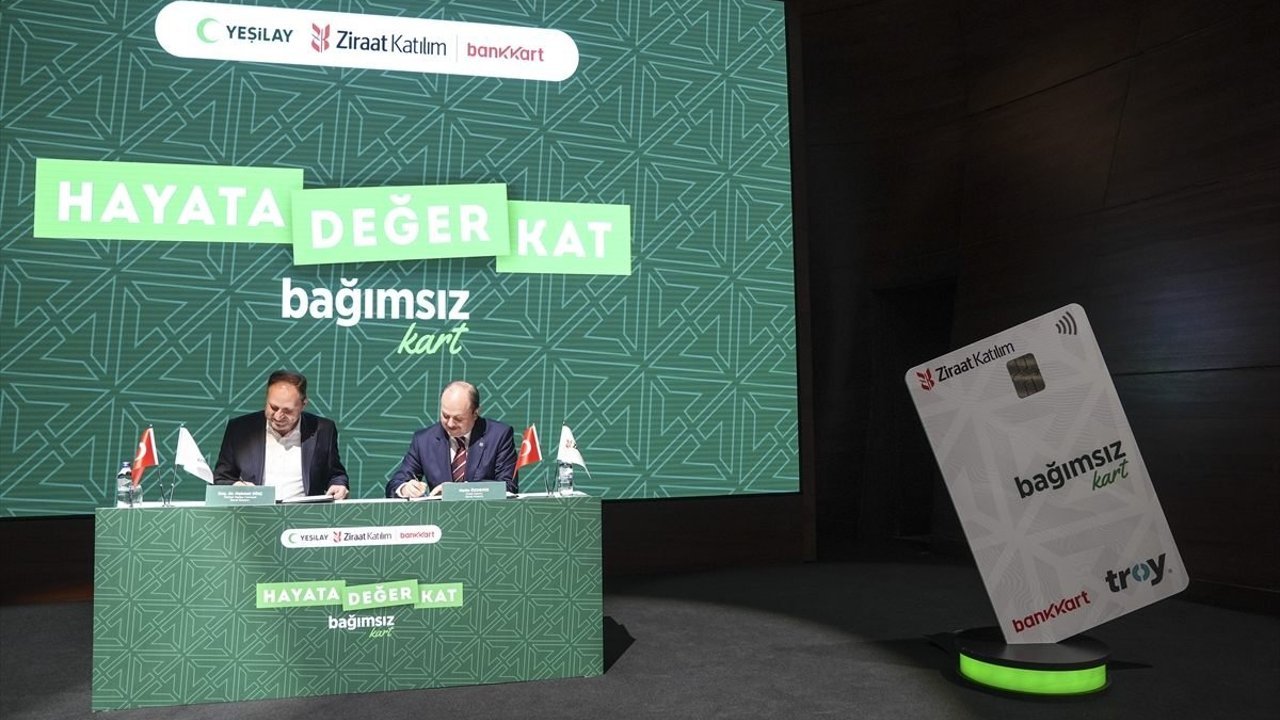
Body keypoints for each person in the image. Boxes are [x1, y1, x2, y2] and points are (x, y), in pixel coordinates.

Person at [213, 370, 350, 500]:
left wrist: (339, 485)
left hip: (304, 512)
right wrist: (238, 487)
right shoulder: (240, 429)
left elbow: (335, 474)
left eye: (287, 411)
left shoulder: (323, 430)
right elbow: (221, 478)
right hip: (255, 511)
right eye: (273, 407)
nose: (278, 416)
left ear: (303, 404)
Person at [386, 380, 517, 498]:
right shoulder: (424, 440)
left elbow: (508, 487)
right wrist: (405, 489)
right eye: (445, 416)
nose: (450, 424)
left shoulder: (499, 436)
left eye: (458, 419)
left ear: (475, 413)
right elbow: (395, 483)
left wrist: (456, 491)